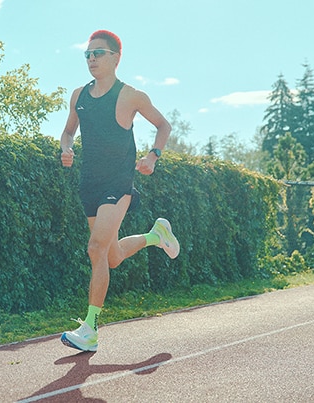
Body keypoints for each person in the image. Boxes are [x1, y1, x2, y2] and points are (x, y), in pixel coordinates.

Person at [59, 30, 180, 352]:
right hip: (89, 184)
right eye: (87, 54)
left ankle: (90, 329)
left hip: (118, 183)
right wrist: (66, 149)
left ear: (116, 57)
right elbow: (68, 132)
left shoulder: (131, 96)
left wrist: (152, 156)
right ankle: (156, 236)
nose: (91, 59)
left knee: (95, 248)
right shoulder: (78, 96)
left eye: (98, 53)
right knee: (111, 257)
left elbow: (163, 125)